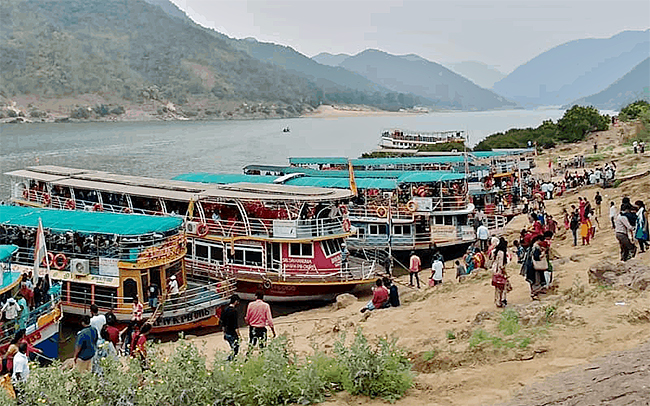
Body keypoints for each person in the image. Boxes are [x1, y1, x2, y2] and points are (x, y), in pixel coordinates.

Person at [220, 294, 241, 361]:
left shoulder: (225, 309)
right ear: (235, 301)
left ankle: (232, 360)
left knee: (233, 347)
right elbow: (235, 325)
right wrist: (239, 335)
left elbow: (222, 323)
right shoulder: (234, 311)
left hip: (227, 332)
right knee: (235, 349)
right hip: (232, 333)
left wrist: (224, 333)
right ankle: (229, 360)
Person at [491, 237, 509, 307]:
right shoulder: (501, 253)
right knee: (503, 287)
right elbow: (501, 265)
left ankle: (497, 301)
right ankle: (502, 300)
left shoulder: (496, 252)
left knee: (497, 287)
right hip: (500, 271)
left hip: (495, 270)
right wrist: (505, 273)